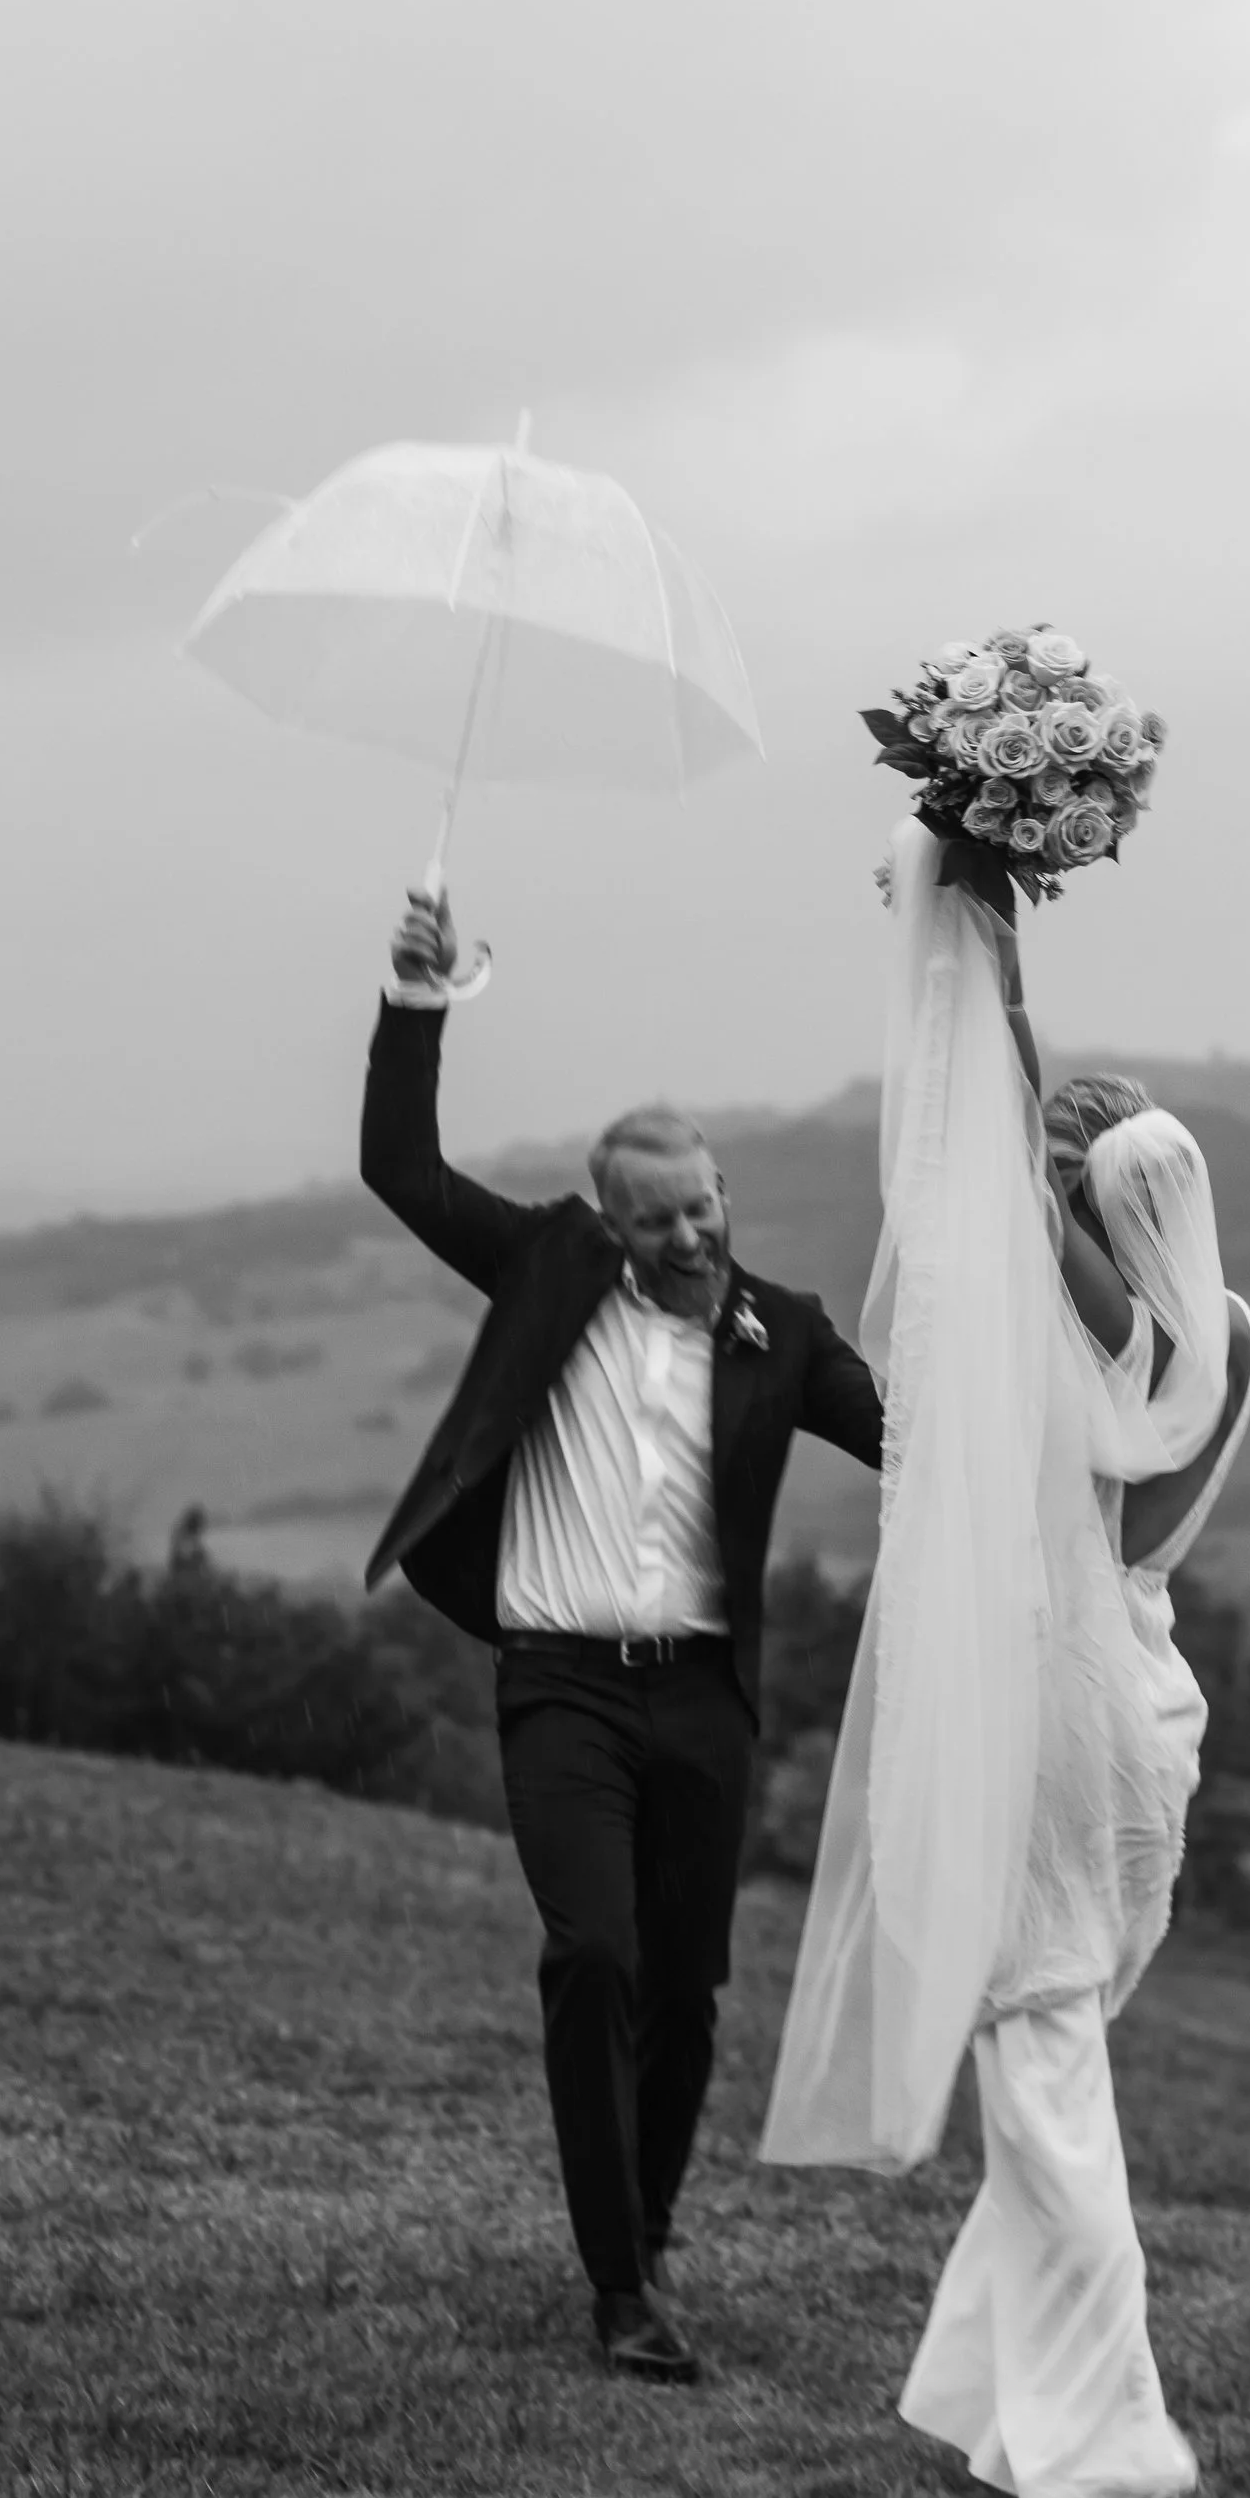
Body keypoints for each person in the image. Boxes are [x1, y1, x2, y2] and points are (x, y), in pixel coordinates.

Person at [760, 818, 1250, 2498]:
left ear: (1092, 1200)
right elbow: (1039, 1132)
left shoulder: (1097, 1326)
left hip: (1057, 1708)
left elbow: (1005, 1119)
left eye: (1061, 1175)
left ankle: (1104, 2444)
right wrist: (990, 946)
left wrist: (981, 943)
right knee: (1048, 2056)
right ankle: (992, 2388)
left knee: (1041, 2057)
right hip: (1145, 1703)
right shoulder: (1222, 1335)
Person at [361, 885, 884, 2388]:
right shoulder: (549, 1267)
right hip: (564, 1686)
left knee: (689, 1987)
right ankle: (618, 2290)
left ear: (725, 1187)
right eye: (654, 1221)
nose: (685, 1237)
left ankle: (650, 2230)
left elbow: (904, 1439)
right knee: (592, 1952)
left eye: (702, 1208)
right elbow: (397, 1167)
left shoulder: (787, 1331)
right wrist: (417, 1001)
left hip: (704, 1704)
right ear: (608, 1215)